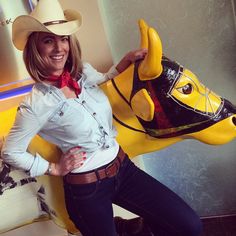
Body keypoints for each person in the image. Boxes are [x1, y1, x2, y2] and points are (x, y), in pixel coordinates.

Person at [1, 0, 203, 235]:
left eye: (63, 38)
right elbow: (11, 152)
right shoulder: (35, 105)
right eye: (48, 40)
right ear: (36, 48)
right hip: (87, 190)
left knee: (189, 225)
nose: (59, 48)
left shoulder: (82, 72)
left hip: (124, 169)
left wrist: (124, 63)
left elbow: (104, 80)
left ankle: (125, 229)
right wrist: (54, 168)